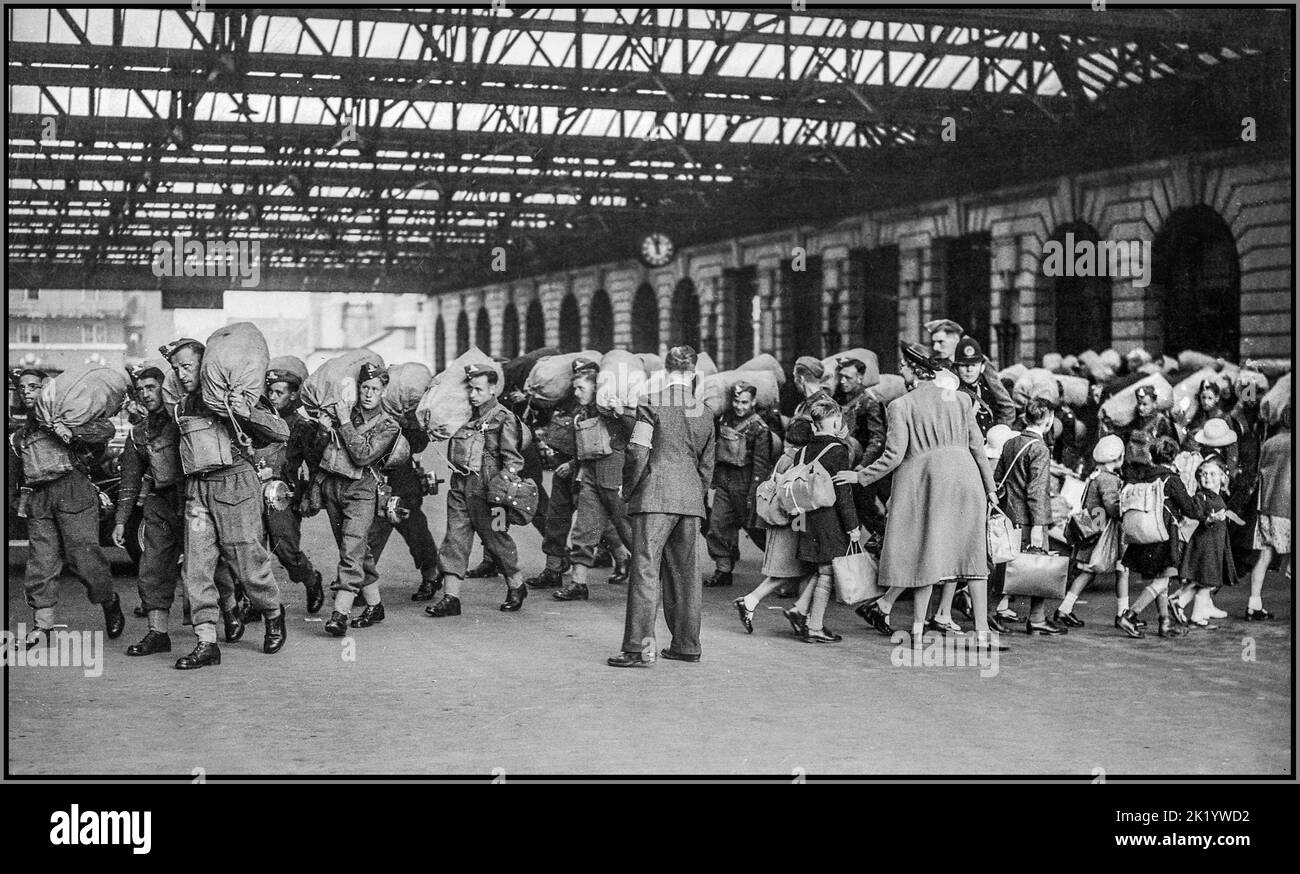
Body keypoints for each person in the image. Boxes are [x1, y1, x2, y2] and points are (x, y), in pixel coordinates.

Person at [843, 342, 1004, 651]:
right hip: (968, 480)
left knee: (929, 555)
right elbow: (978, 449)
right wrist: (991, 489)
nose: (900, 371)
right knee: (973, 558)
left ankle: (917, 632)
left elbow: (893, 455)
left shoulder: (901, 405)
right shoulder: (960, 400)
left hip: (930, 482)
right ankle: (982, 633)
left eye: (903, 367)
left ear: (913, 371)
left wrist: (860, 476)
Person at [163, 337, 290, 669]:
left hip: (235, 486)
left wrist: (246, 412)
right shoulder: (182, 405)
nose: (180, 373)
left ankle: (274, 614)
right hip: (198, 490)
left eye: (187, 366)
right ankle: (207, 642)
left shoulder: (232, 398)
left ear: (204, 366)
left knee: (248, 563)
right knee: (196, 567)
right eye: (176, 368)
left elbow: (280, 432)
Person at [608, 346, 716, 667]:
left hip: (654, 496)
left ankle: (638, 648)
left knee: (644, 570)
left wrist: (629, 489)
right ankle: (686, 645)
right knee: (686, 575)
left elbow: (638, 452)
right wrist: (696, 495)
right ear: (694, 373)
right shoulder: (706, 412)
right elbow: (707, 466)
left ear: (666, 372)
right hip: (690, 499)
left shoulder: (651, 402)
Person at [10, 368, 125, 649]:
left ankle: (109, 601)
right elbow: (16, 473)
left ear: (47, 390)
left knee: (84, 559)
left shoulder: (71, 417)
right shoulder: (19, 435)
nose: (27, 391)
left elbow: (106, 430)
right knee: (41, 562)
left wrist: (70, 431)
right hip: (39, 497)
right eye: (22, 387)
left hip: (73, 490)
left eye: (34, 386)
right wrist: (19, 500)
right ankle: (43, 626)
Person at [427, 363, 528, 617]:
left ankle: (516, 584)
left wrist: (503, 493)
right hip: (461, 486)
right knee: (454, 539)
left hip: (492, 492)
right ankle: (451, 598)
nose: (473, 394)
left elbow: (513, 461)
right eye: (470, 389)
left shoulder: (503, 418)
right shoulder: (462, 414)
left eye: (478, 389)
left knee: (497, 539)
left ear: (493, 389)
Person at [316, 363, 403, 636]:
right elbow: (324, 452)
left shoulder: (388, 425)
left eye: (374, 389)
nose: (368, 394)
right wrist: (322, 429)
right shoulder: (344, 413)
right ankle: (375, 605)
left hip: (363, 491)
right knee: (357, 549)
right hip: (334, 487)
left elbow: (363, 455)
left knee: (350, 551)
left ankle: (340, 614)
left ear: (383, 392)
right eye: (364, 387)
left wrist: (342, 423)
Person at [113, 365, 184, 656]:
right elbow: (130, 481)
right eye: (141, 389)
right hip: (160, 503)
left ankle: (229, 615)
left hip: (193, 499)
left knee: (213, 568)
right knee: (152, 568)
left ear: (165, 387)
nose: (145, 394)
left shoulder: (184, 421)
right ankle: (158, 633)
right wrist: (120, 521)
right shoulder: (139, 433)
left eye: (151, 387)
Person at [780, 396, 860, 643]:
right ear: (836, 422)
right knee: (827, 572)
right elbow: (843, 493)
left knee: (820, 567)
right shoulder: (838, 450)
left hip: (805, 517)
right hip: (828, 519)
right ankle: (814, 626)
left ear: (815, 423)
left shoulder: (801, 450)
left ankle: (800, 609)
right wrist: (853, 526)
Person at [553, 361, 633, 601]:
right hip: (590, 476)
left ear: (595, 388)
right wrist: (574, 466)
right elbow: (583, 448)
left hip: (615, 478)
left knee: (629, 530)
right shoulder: (582, 414)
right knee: (584, 528)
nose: (576, 393)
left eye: (580, 388)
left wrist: (620, 412)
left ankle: (652, 577)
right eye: (575, 388)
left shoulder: (612, 410)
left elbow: (635, 432)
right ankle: (578, 583)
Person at [1116, 435, 1201, 640]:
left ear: (1152, 456)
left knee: (1160, 580)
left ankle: (1164, 622)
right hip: (1165, 537)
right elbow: (1190, 509)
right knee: (1162, 582)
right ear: (1174, 457)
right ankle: (1130, 615)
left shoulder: (1144, 478)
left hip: (1145, 536)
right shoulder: (1172, 480)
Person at [991, 398, 1063, 635]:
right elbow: (1036, 490)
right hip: (1031, 517)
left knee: (1007, 567)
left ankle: (990, 614)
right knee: (1039, 567)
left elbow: (999, 477)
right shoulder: (1039, 448)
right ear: (1049, 419)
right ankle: (1037, 618)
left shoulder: (1011, 442)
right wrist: (1038, 526)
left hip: (1010, 514)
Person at [260, 363, 326, 614]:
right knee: (253, 551)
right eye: (271, 391)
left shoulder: (301, 425)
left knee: (286, 550)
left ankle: (311, 580)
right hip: (255, 491)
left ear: (293, 395)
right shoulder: (259, 418)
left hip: (283, 496)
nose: (273, 397)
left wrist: (309, 494)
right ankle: (258, 601)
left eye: (279, 392)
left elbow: (314, 463)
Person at [732, 446, 812, 633]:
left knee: (793, 571)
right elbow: (795, 498)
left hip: (781, 523)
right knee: (797, 569)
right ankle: (799, 612)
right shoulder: (797, 460)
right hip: (791, 525)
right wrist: (801, 529)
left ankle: (798, 611)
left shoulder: (785, 457)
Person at [703, 381, 774, 587]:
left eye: (744, 402)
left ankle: (784, 571)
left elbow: (761, 465)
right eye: (735, 401)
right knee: (718, 525)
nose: (739, 406)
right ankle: (723, 570)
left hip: (747, 483)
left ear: (753, 402)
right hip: (726, 480)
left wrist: (754, 494)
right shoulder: (724, 419)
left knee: (757, 531)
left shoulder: (759, 428)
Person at [1053, 434, 1125, 629]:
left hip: (1090, 526)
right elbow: (1111, 507)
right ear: (1118, 457)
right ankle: (1123, 613)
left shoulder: (1095, 474)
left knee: (1086, 573)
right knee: (1116, 570)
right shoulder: (1109, 479)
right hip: (1101, 531)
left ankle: (1064, 609)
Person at [372, 412, 443, 603]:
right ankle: (361, 581)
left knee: (414, 527)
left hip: (401, 475)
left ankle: (431, 574)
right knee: (370, 531)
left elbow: (419, 442)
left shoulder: (402, 403)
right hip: (371, 472)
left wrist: (406, 422)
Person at [1176, 457, 1238, 627]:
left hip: (1213, 546)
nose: (1207, 477)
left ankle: (1191, 611)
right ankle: (1184, 607)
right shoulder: (1201, 497)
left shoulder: (1217, 497)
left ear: (1222, 478)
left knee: (1204, 583)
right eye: (1203, 474)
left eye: (1212, 474)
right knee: (1205, 581)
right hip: (1204, 547)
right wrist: (1210, 519)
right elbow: (1198, 516)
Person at [835, 356, 889, 535]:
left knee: (867, 512)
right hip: (846, 464)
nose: (843, 381)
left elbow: (877, 438)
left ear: (860, 378)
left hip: (863, 467)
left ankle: (884, 545)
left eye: (848, 378)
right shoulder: (841, 400)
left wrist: (863, 466)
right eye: (841, 376)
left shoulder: (869, 401)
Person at [1247, 407, 1291, 620]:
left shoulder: (1270, 443)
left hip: (1266, 506)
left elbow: (1258, 474)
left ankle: (1253, 604)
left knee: (1264, 556)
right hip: (1289, 508)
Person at [926, 319, 1014, 426]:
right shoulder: (938, 365)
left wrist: (998, 435)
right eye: (933, 342)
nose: (936, 347)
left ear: (956, 339)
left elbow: (1005, 404)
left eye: (941, 342)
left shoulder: (980, 362)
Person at [952, 336, 998, 435]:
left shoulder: (987, 394)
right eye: (964, 365)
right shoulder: (951, 395)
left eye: (974, 365)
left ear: (982, 367)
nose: (969, 370)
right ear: (956, 368)